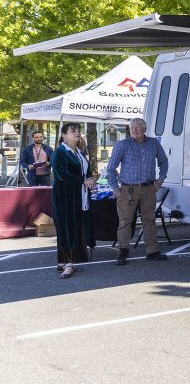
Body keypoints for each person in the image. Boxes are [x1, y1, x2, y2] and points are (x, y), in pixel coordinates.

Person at [106, 118, 169, 265]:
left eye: (138, 127)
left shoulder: (153, 143)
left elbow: (163, 162)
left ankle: (152, 251)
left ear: (144, 129)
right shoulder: (122, 145)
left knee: (150, 219)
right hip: (128, 188)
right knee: (125, 221)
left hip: (148, 188)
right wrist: (115, 188)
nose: (134, 130)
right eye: (132, 127)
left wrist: (160, 180)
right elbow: (110, 168)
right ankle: (123, 251)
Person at [51, 123, 96, 278]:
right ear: (64, 135)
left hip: (78, 195)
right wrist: (84, 180)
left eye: (78, 130)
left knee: (73, 227)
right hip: (65, 196)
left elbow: (86, 170)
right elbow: (63, 175)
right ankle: (68, 264)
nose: (77, 133)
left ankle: (63, 262)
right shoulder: (60, 152)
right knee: (67, 228)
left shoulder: (78, 152)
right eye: (73, 131)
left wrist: (90, 178)